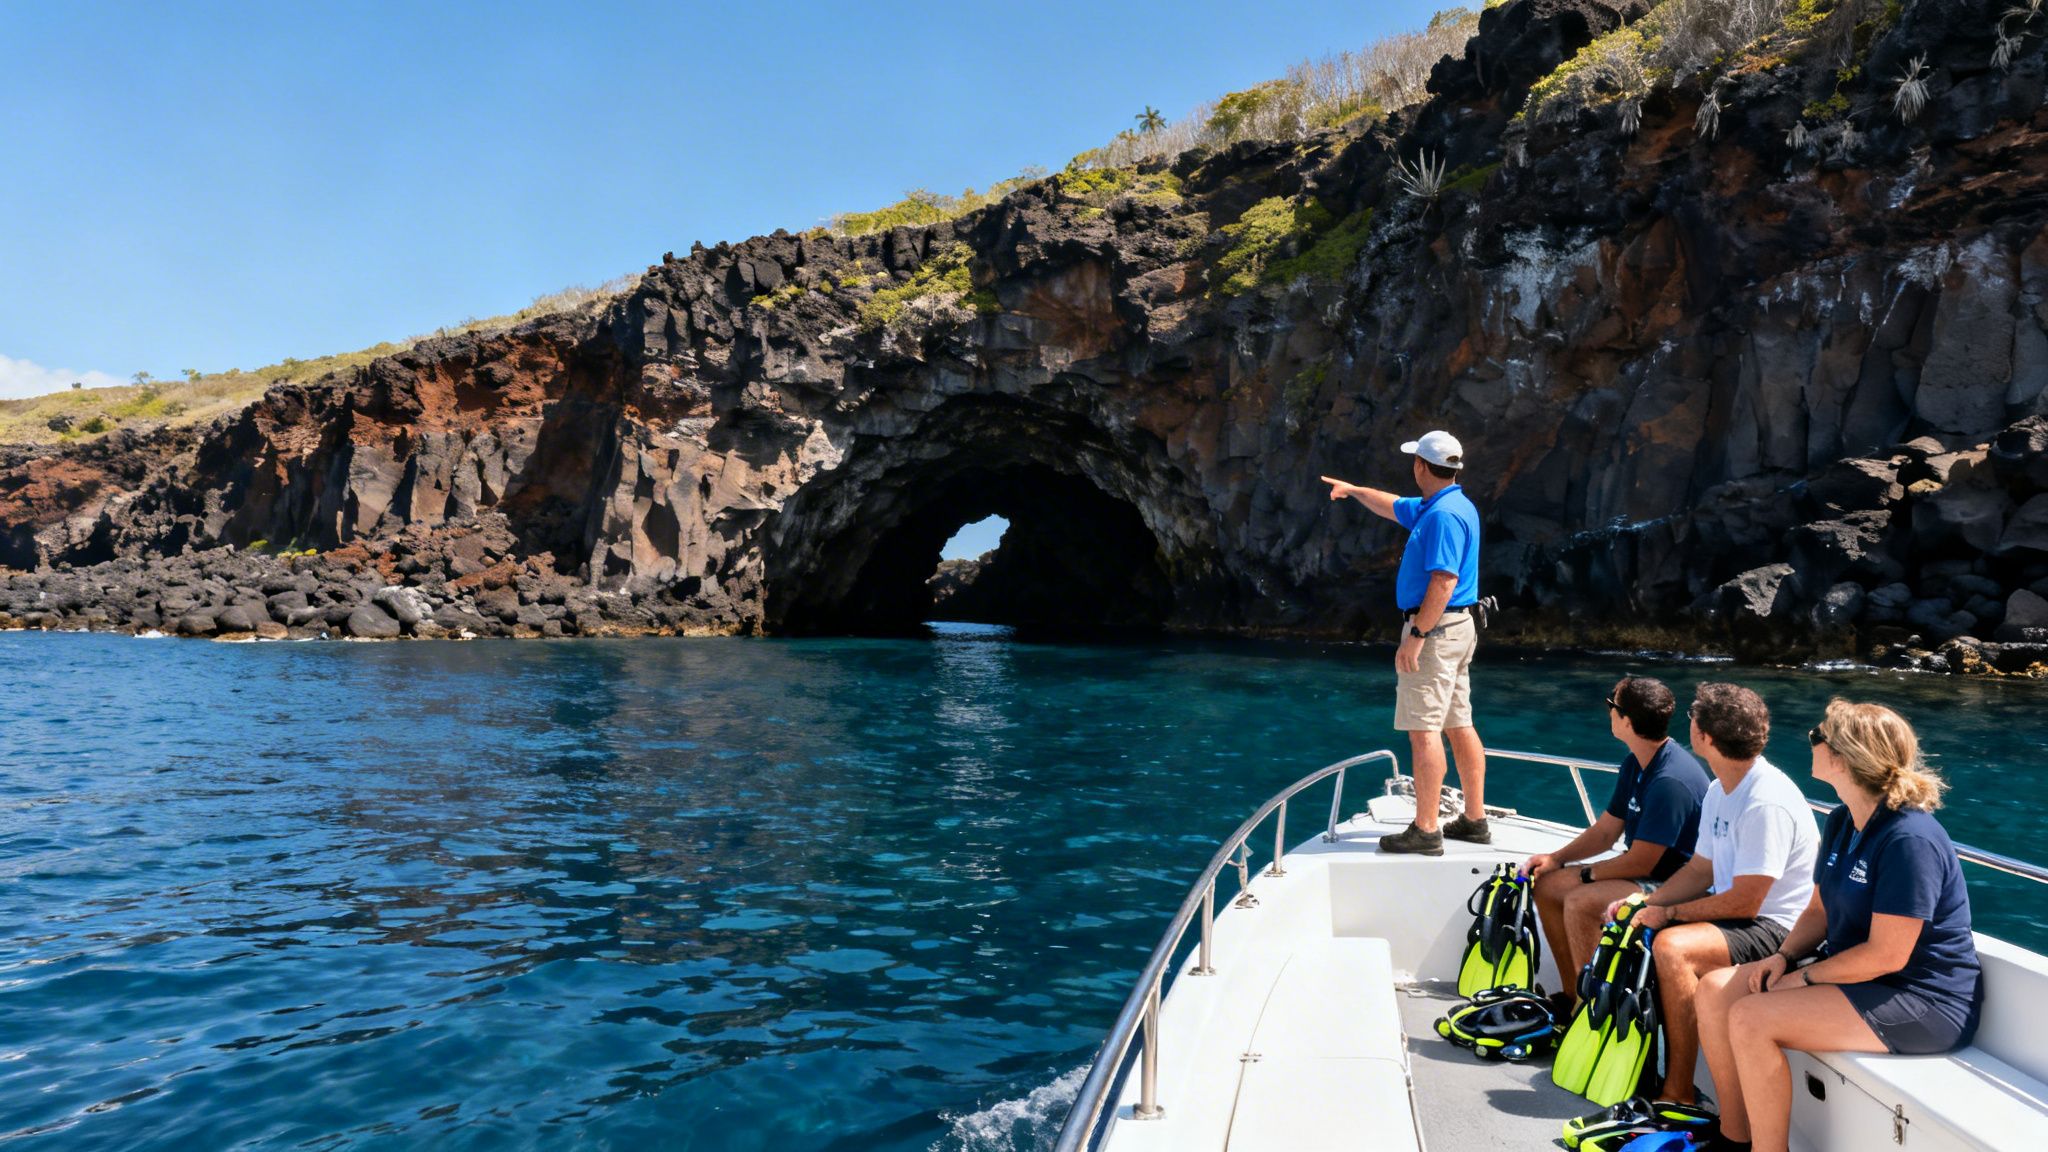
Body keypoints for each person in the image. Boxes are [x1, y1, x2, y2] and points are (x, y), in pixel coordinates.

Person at [1693, 701, 1981, 1152]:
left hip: (1923, 999)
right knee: (1715, 991)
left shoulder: (1909, 839)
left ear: (1842, 757)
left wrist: (1801, 978)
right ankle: (1734, 1135)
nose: (1811, 740)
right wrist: (1782, 957)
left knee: (1751, 1018)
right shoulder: (1844, 820)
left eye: (1818, 735)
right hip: (1861, 977)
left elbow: (1887, 955)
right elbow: (1819, 911)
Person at [1603, 683, 1819, 1106]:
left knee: (1673, 948)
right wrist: (1647, 904)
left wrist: (1669, 915)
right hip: (1744, 914)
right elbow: (1701, 869)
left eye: (1693, 720)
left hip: (1780, 929)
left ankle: (1678, 1091)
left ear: (1706, 737)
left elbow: (1747, 902)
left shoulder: (1764, 802)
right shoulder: (1721, 790)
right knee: (1636, 923)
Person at [1321, 429, 1486, 855]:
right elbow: (1391, 505)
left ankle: (1427, 830)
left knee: (1423, 730)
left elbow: (1444, 580)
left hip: (1436, 630)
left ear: (1419, 465)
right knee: (1457, 723)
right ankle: (1474, 819)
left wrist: (1416, 636)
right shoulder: (1446, 504)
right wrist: (1354, 490)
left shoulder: (1442, 517)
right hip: (1456, 629)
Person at [1524, 676, 1710, 1007]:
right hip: (1646, 870)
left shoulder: (1670, 781)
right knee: (1549, 885)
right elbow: (1607, 830)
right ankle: (1572, 997)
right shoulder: (1636, 762)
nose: (1608, 710)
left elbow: (1643, 862)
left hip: (1676, 882)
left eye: (1612, 705)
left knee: (1581, 902)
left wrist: (1584, 874)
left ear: (1627, 720)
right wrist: (1556, 859)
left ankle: (1593, 1011)